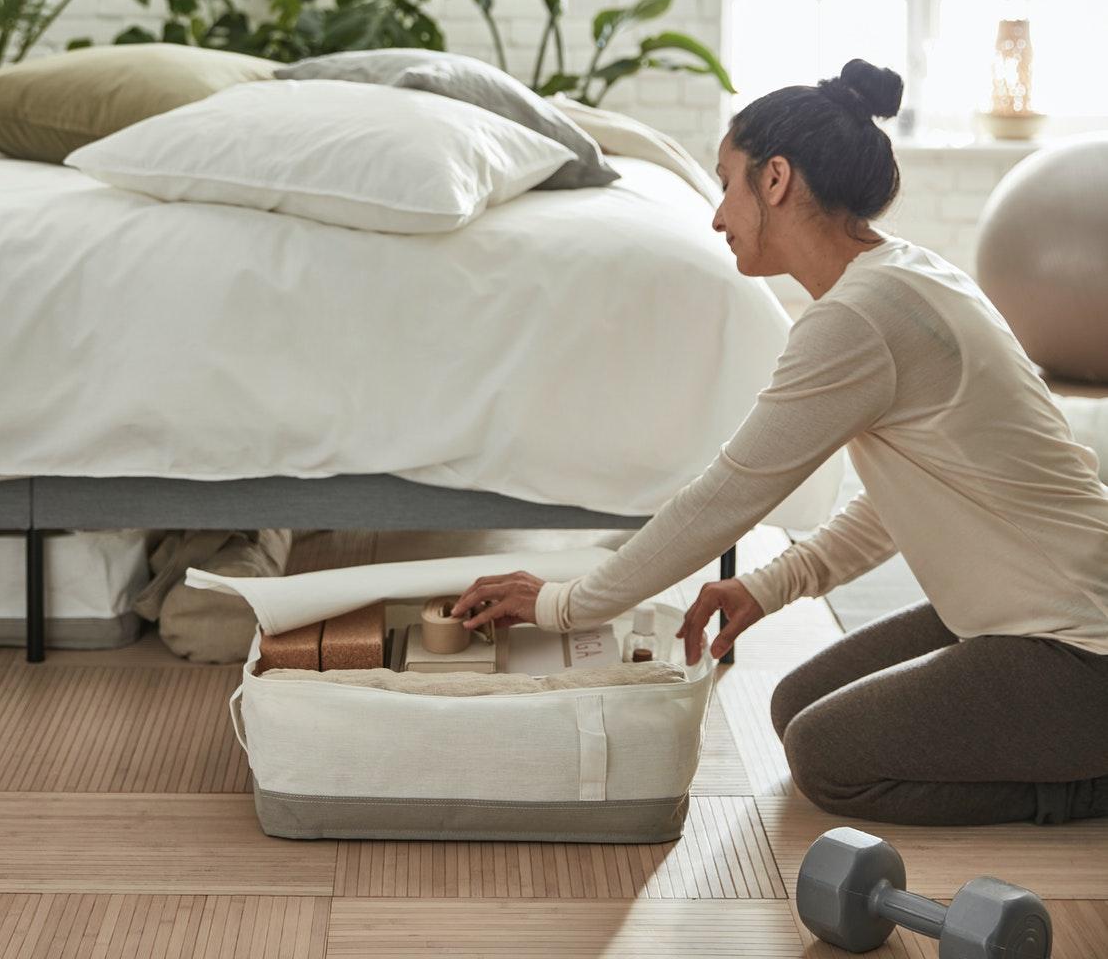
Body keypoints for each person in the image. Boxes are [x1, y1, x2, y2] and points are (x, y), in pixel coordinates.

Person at [452, 58, 1108, 828]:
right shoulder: (902, 278)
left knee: (828, 759)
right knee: (796, 706)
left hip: (1077, 645)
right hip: (1015, 614)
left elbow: (725, 497)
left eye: (725, 181)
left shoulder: (860, 318)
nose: (716, 214)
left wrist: (564, 605)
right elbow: (893, 508)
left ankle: (1086, 783)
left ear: (774, 180)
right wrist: (770, 586)